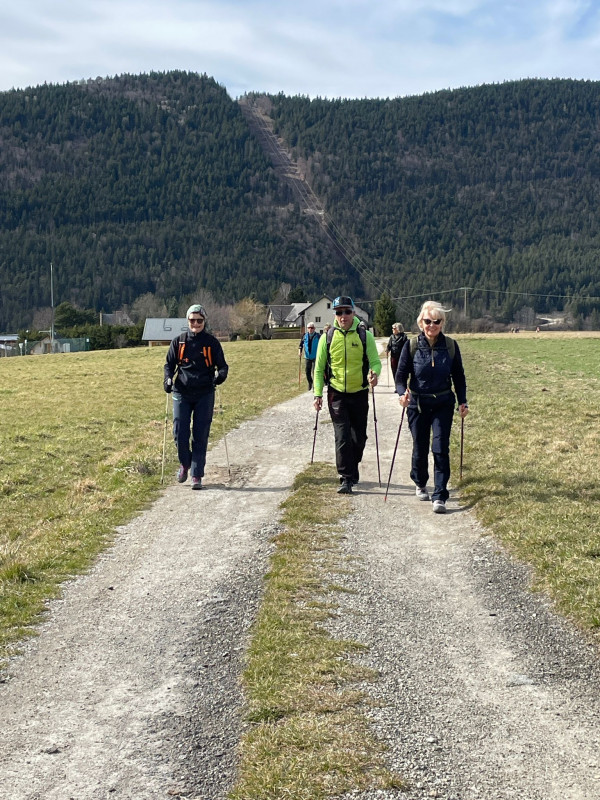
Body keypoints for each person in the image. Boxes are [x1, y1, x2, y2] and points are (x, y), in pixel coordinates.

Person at [396, 301, 468, 513]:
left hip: (443, 404)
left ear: (442, 323)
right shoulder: (411, 346)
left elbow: (459, 377)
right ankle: (420, 482)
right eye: (428, 321)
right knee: (420, 447)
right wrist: (402, 394)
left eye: (437, 321)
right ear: (421, 323)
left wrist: (463, 401)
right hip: (418, 404)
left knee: (440, 447)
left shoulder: (450, 346)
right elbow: (400, 377)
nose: (432, 325)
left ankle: (440, 495)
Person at [313, 296, 381, 494]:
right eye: (338, 312)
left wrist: (374, 374)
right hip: (336, 394)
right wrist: (317, 394)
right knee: (342, 436)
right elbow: (319, 369)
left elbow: (375, 361)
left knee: (359, 438)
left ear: (353, 312)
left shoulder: (364, 335)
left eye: (347, 312)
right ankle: (346, 477)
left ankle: (352, 466)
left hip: (359, 392)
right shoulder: (327, 337)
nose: (343, 316)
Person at [164, 304, 229, 489]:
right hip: (181, 392)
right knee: (179, 432)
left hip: (204, 393)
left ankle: (196, 474)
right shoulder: (179, 342)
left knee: (200, 434)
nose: (196, 323)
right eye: (192, 320)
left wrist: (220, 376)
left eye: (199, 320)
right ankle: (185, 464)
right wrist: (167, 380)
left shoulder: (211, 343)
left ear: (204, 321)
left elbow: (222, 366)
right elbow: (169, 365)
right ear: (187, 321)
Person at [298, 322, 320, 390]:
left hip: (315, 357)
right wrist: (299, 351)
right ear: (307, 328)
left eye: (312, 328)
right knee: (307, 372)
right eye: (309, 328)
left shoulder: (318, 336)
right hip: (307, 357)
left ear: (314, 328)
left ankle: (315, 386)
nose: (310, 329)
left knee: (314, 372)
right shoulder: (304, 336)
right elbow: (300, 345)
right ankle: (310, 382)